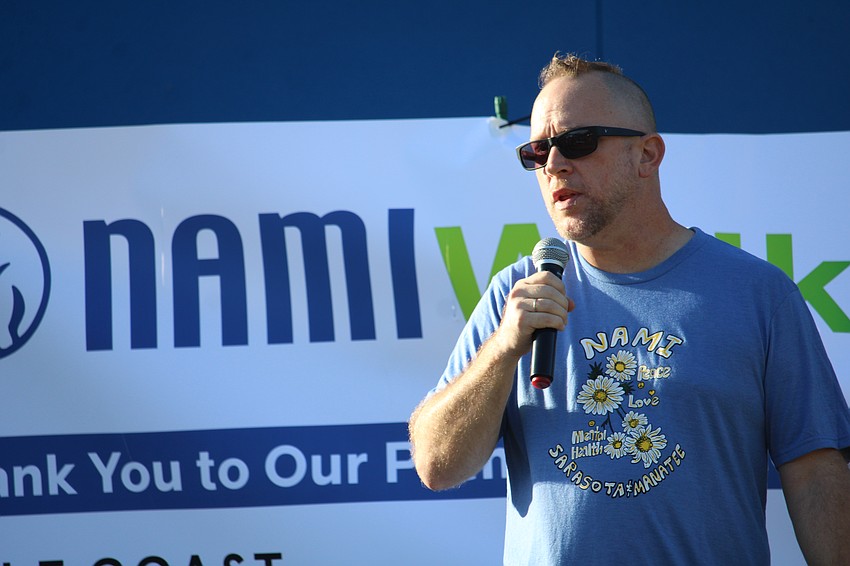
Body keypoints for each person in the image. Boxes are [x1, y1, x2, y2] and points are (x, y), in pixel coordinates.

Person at [408, 53, 850, 565]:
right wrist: (503, 351)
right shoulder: (518, 294)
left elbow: (815, 469)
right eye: (537, 151)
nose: (554, 165)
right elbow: (436, 465)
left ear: (648, 155)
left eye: (578, 142)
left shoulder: (758, 294)